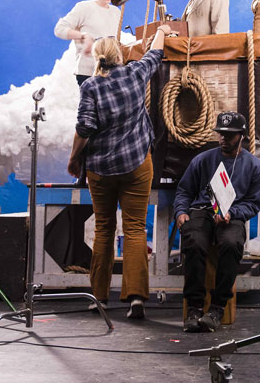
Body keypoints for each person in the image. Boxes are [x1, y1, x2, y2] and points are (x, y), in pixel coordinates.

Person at [66, 24, 171, 319]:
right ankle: (136, 297)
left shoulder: (90, 87)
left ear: (97, 58)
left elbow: (84, 128)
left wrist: (75, 159)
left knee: (104, 229)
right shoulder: (135, 73)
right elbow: (156, 52)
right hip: (137, 163)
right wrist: (161, 29)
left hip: (101, 169)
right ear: (120, 55)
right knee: (136, 227)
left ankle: (97, 298)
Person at [174, 111, 260, 332]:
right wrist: (181, 212)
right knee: (194, 241)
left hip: (231, 215)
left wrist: (232, 213)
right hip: (202, 210)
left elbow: (253, 204)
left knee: (232, 243)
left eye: (229, 134)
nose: (223, 138)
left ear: (241, 136)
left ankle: (217, 308)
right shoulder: (202, 160)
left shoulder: (255, 167)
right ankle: (194, 308)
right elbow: (184, 191)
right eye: (221, 134)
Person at [54, 0, 122, 86]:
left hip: (111, 72)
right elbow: (59, 29)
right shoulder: (84, 7)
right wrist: (83, 36)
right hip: (88, 74)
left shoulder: (116, 12)